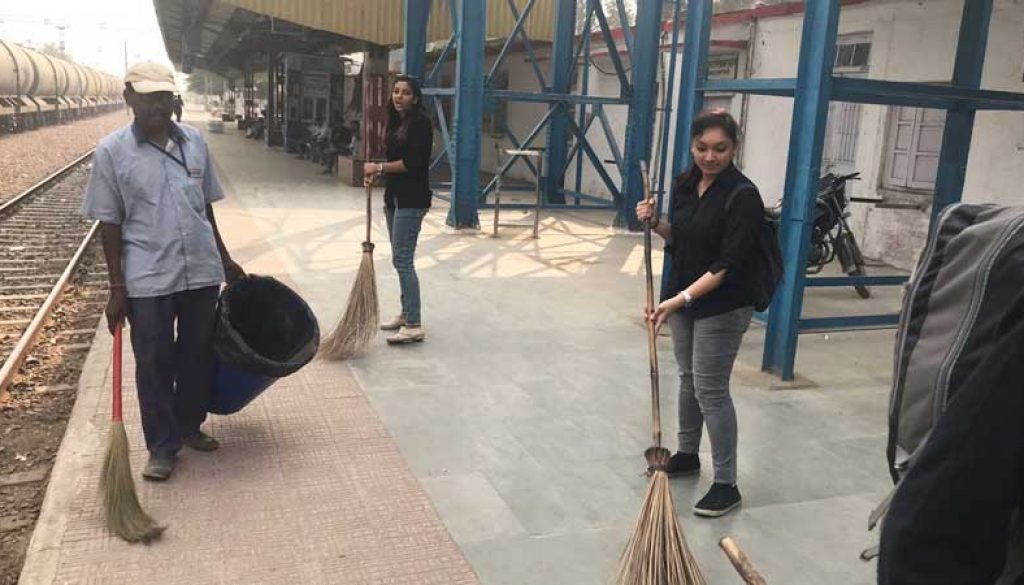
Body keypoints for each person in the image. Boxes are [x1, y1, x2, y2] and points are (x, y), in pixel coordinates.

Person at [82, 61, 245, 482]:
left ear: (174, 99)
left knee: (196, 354)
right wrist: (117, 288)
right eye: (148, 96)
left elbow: (204, 206)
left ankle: (188, 425)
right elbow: (109, 222)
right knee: (154, 360)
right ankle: (161, 446)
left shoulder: (194, 142)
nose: (158, 104)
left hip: (200, 271)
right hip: (148, 276)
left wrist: (225, 260)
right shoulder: (111, 152)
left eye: (164, 96)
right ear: (129, 98)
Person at [635, 109, 766, 518]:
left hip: (723, 302)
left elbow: (727, 265)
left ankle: (727, 483)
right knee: (689, 379)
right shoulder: (686, 183)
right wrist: (655, 223)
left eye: (720, 149)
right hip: (684, 296)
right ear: (692, 146)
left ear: (735, 148)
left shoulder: (743, 196)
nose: (710, 157)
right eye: (702, 148)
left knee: (711, 388)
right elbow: (683, 239)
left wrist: (678, 301)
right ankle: (688, 454)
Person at [363, 75, 432, 345]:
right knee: (398, 259)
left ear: (415, 98)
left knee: (403, 259)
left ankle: (414, 324)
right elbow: (394, 162)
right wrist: (377, 175)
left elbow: (412, 163)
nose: (399, 96)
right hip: (395, 199)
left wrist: (378, 167)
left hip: (412, 200)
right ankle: (406, 313)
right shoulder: (397, 122)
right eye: (396, 91)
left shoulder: (421, 124)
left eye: (405, 92)